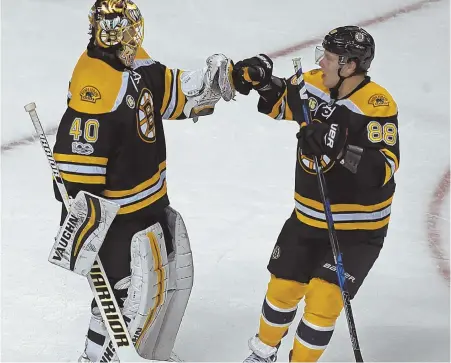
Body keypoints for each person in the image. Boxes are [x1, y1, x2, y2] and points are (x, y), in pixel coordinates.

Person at [52, 1, 234, 361]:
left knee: (160, 287)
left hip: (151, 201)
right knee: (126, 293)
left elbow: (169, 91)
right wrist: (87, 231)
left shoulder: (130, 59)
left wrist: (216, 78)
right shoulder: (97, 86)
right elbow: (76, 175)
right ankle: (94, 357)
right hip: (118, 215)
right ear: (117, 33)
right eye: (130, 29)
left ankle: (150, 354)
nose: (137, 35)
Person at [231, 26, 400, 362]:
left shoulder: (376, 105)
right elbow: (282, 101)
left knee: (323, 300)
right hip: (307, 219)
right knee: (282, 288)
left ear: (350, 66)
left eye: (329, 57)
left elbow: (382, 171)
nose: (320, 62)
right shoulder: (314, 83)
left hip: (356, 232)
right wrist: (261, 80)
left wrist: (338, 147)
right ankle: (263, 353)